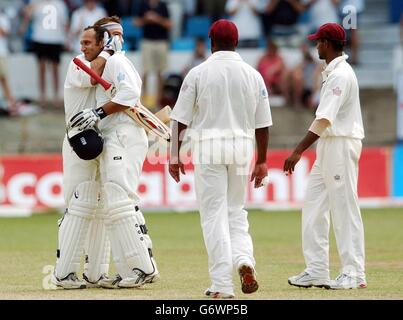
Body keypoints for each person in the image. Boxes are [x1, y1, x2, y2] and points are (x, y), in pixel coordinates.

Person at [169, 19, 272, 298]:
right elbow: (262, 123)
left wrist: (174, 155)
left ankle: (222, 286)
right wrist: (262, 160)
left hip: (209, 148)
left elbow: (179, 120)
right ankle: (244, 260)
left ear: (211, 42)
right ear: (236, 42)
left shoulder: (198, 73)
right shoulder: (253, 75)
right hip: (242, 148)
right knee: (236, 212)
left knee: (213, 216)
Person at [53, 19, 158, 289]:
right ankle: (75, 272)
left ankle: (115, 270)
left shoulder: (117, 62)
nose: (116, 39)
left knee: (112, 202)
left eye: (120, 34)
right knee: (81, 204)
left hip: (104, 136)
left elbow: (127, 94)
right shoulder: (81, 60)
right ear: (102, 39)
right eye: (110, 34)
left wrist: (110, 54)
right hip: (80, 139)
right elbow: (91, 75)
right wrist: (107, 51)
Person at [284, 23, 366, 290]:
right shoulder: (332, 72)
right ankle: (317, 270)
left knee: (344, 208)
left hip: (341, 144)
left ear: (328, 43)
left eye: (318, 42)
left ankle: (354, 272)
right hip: (329, 146)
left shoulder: (341, 75)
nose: (315, 46)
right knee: (313, 207)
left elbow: (325, 119)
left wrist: (297, 151)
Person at [20, 0, 69, 108]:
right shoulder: (36, 2)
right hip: (40, 38)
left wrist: (67, 39)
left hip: (56, 39)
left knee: (55, 69)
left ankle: (56, 96)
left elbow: (65, 23)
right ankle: (42, 96)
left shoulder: (60, 4)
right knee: (41, 68)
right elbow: (26, 15)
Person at [135, 0, 172, 109]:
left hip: (161, 42)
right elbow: (136, 22)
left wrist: (157, 19)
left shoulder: (163, 5)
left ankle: (158, 102)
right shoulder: (143, 4)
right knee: (146, 72)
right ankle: (144, 101)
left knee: (160, 73)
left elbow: (169, 24)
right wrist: (146, 19)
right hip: (147, 41)